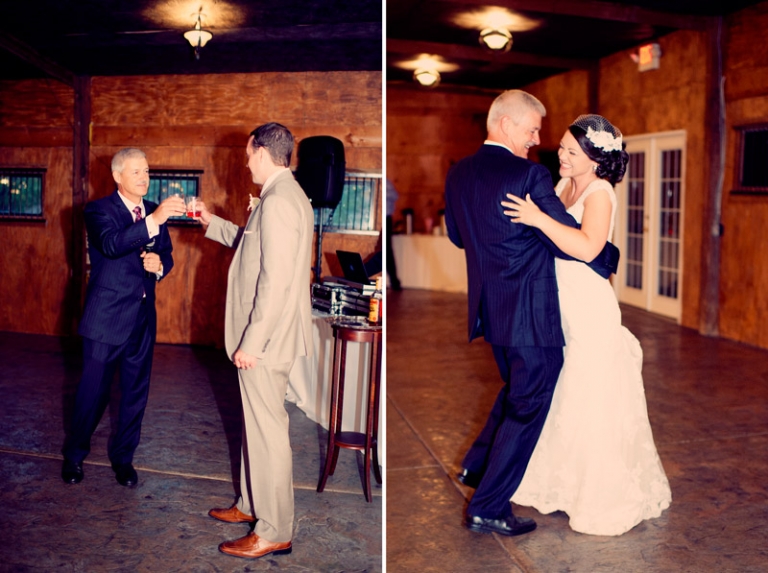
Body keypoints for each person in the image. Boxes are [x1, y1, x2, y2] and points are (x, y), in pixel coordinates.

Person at [444, 90, 619, 537]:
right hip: (532, 313)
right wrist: (610, 258)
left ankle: (478, 465)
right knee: (527, 403)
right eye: (533, 130)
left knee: (518, 391)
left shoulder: (459, 172)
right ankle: (488, 506)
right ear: (506, 124)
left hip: (493, 310)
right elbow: (573, 238)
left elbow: (459, 237)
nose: (537, 140)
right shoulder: (529, 175)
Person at [501, 114, 672, 535]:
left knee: (591, 393)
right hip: (558, 301)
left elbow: (589, 247)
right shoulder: (562, 184)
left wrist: (538, 219)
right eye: (561, 147)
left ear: (595, 160)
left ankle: (598, 494)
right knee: (563, 392)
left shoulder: (600, 193)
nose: (561, 155)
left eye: (571, 151)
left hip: (588, 307)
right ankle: (562, 485)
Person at [196, 123, 313, 560]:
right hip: (271, 335)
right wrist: (212, 223)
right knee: (257, 426)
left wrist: (252, 341)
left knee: (268, 432)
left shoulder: (279, 201)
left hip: (267, 339)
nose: (246, 162)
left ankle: (274, 530)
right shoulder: (283, 195)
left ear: (262, 152)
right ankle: (251, 504)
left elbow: (275, 281)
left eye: (248, 154)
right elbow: (253, 248)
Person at [61, 148, 184, 487]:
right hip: (105, 319)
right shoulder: (98, 210)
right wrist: (154, 220)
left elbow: (166, 255)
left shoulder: (152, 210)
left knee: (134, 394)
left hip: (141, 319)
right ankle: (74, 456)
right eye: (136, 172)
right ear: (117, 176)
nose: (144, 178)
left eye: (147, 171)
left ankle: (123, 459)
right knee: (92, 394)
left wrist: (159, 266)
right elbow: (112, 244)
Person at [386, 179, 402, 290]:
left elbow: (395, 196)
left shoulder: (386, 182)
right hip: (382, 219)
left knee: (387, 250)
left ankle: (394, 280)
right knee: (385, 250)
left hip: (386, 218)